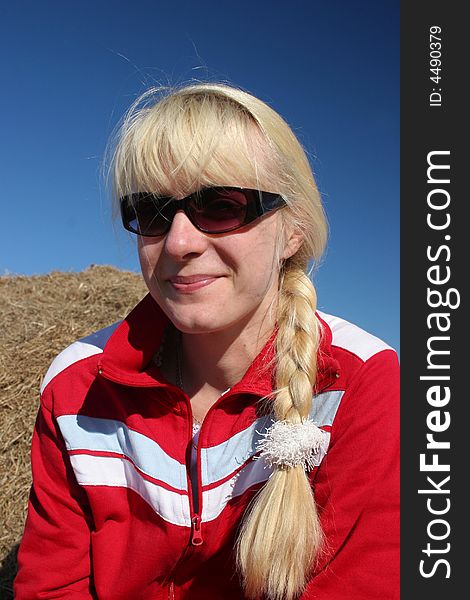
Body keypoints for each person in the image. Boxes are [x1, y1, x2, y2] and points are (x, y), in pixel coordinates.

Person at [14, 82, 399, 600]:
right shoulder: (77, 386)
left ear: (295, 230)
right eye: (151, 211)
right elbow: (52, 586)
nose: (178, 243)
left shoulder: (364, 386)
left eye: (220, 205)